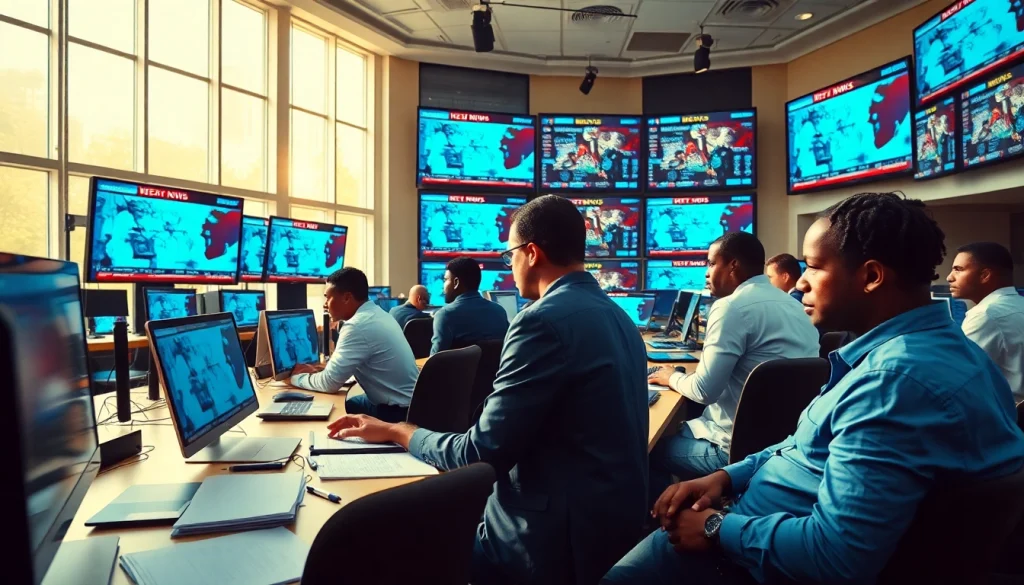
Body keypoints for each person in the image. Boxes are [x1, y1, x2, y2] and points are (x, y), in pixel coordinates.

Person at [603, 192, 1024, 585]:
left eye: (815, 266)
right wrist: (728, 476)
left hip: (742, 557)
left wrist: (716, 526)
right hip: (749, 517)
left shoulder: (893, 384)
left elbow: (837, 556)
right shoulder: (951, 354)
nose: (799, 283)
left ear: (872, 276)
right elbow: (807, 445)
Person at [326, 195, 649, 585]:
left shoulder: (541, 322)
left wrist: (398, 431)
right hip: (612, 532)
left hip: (547, 545)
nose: (508, 265)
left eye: (509, 254)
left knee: (386, 552)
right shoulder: (619, 318)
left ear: (531, 253)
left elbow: (479, 454)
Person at [648, 233, 818, 488]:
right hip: (788, 446)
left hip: (733, 452)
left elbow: (704, 391)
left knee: (649, 449)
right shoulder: (793, 304)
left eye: (711, 263)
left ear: (733, 265)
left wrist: (670, 376)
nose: (706, 272)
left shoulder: (732, 306)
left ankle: (668, 522)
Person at [290, 267, 418, 424]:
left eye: (328, 298)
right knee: (345, 405)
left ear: (347, 298)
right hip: (412, 404)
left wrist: (296, 378)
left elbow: (329, 384)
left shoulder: (357, 326)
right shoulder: (378, 314)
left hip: (398, 414)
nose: (325, 305)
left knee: (333, 414)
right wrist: (321, 369)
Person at [948, 242, 1024, 402]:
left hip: (1007, 418)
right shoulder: (1019, 304)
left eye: (958, 269)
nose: (950, 277)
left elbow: (959, 377)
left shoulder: (985, 314)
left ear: (985, 275)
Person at [430, 256, 510, 355]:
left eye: (445, 280)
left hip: (459, 371)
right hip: (496, 371)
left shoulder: (445, 315)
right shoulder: (499, 311)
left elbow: (435, 363)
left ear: (456, 282)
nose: (443, 286)